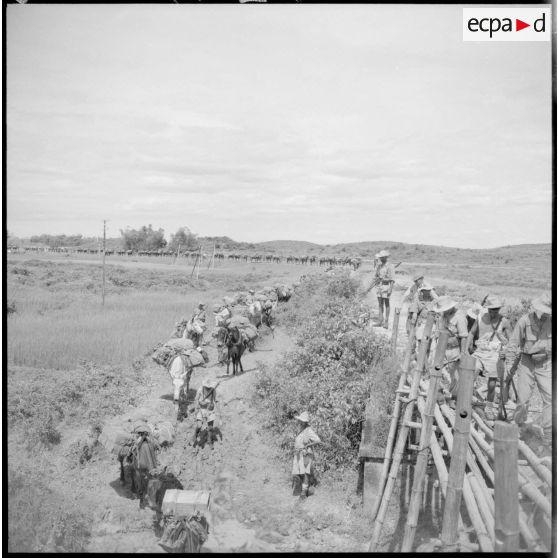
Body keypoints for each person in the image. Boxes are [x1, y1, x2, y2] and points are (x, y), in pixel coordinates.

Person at [505, 293, 552, 455]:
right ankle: (519, 428)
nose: (546, 314)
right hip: (527, 362)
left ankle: (548, 438)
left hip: (546, 362)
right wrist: (509, 364)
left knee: (551, 399)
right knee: (523, 399)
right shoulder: (524, 321)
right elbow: (513, 344)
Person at [467, 296, 511, 420]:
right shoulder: (480, 317)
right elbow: (471, 333)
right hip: (480, 351)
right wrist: (466, 349)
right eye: (492, 309)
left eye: (496, 309)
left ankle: (489, 407)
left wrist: (506, 350)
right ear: (488, 309)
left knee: (492, 384)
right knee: (471, 372)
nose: (494, 312)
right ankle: (467, 399)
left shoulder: (504, 321)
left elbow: (512, 341)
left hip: (494, 353)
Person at [433, 296, 469, 400]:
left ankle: (453, 397)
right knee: (438, 370)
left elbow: (464, 336)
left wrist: (463, 353)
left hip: (454, 350)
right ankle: (439, 392)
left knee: (455, 375)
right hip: (442, 348)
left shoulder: (459, 317)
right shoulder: (443, 315)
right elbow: (439, 328)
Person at [292, 412, 321, 501]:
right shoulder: (301, 429)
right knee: (299, 473)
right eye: (300, 420)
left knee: (305, 473)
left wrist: (308, 445)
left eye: (301, 421)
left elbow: (318, 440)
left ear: (305, 422)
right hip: (298, 454)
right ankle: (304, 490)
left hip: (306, 454)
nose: (300, 422)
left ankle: (304, 493)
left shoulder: (309, 430)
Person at [131, 423, 160, 508]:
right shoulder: (138, 439)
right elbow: (136, 445)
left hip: (147, 464)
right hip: (143, 464)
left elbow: (155, 445)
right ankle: (142, 498)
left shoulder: (150, 440)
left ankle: (146, 499)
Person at [371, 250, 395, 329]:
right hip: (379, 287)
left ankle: (386, 322)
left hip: (386, 286)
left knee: (386, 304)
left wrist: (390, 289)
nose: (380, 259)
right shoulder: (379, 266)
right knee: (380, 304)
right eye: (380, 257)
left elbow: (392, 279)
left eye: (381, 257)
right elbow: (376, 275)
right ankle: (380, 320)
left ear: (385, 257)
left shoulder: (390, 266)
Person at [192, 378, 219, 447]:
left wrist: (216, 407)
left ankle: (209, 441)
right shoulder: (200, 389)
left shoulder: (213, 391)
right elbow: (196, 399)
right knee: (199, 425)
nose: (208, 388)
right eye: (206, 387)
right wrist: (197, 406)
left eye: (209, 387)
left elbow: (215, 400)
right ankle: (195, 434)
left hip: (209, 409)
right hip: (201, 409)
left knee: (210, 427)